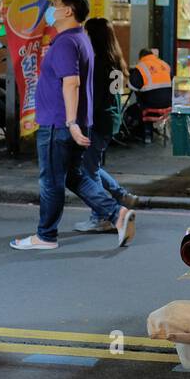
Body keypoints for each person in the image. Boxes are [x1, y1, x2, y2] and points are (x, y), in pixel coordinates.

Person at [10, 0, 135, 250]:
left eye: (55, 6)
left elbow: (72, 83)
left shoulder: (67, 42)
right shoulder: (80, 39)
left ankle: (45, 236)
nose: (51, 11)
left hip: (59, 124)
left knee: (51, 181)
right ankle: (116, 214)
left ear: (68, 10)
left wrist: (70, 123)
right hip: (73, 121)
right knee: (73, 177)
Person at [75, 18, 141, 233]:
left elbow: (91, 99)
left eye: (86, 33)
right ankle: (120, 195)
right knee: (91, 166)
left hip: (96, 121)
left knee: (88, 171)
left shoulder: (96, 62)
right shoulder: (113, 59)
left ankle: (101, 216)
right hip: (109, 119)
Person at [129, 47, 173, 142]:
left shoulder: (141, 66)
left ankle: (146, 134)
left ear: (141, 56)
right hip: (168, 105)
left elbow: (132, 86)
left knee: (133, 109)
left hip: (150, 106)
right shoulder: (165, 65)